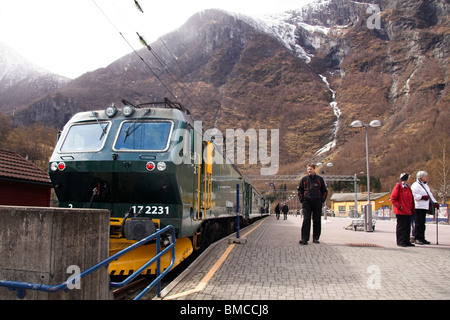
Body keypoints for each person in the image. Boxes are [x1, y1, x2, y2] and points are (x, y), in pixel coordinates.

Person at [298, 164, 328, 244]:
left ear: (314, 169)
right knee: (306, 220)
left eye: (310, 169)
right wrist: (302, 200)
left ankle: (316, 238)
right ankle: (304, 239)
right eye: (308, 169)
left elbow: (324, 191)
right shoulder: (304, 180)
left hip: (317, 202)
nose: (309, 171)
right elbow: (300, 191)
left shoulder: (320, 179)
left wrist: (322, 200)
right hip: (307, 202)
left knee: (316, 220)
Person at [411, 171, 439, 245]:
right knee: (418, 223)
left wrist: (435, 202)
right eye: (425, 177)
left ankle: (422, 238)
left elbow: (430, 194)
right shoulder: (415, 185)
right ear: (421, 177)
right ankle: (417, 238)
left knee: (423, 223)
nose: (427, 178)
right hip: (418, 206)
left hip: (424, 206)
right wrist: (422, 197)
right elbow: (414, 195)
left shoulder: (425, 185)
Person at [390, 173, 415, 247]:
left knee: (407, 226)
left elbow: (411, 199)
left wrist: (412, 208)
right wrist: (400, 206)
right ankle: (400, 241)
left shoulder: (408, 187)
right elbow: (393, 199)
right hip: (401, 211)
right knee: (401, 226)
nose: (410, 179)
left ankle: (407, 241)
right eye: (409, 178)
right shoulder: (399, 186)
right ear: (406, 179)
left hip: (408, 210)